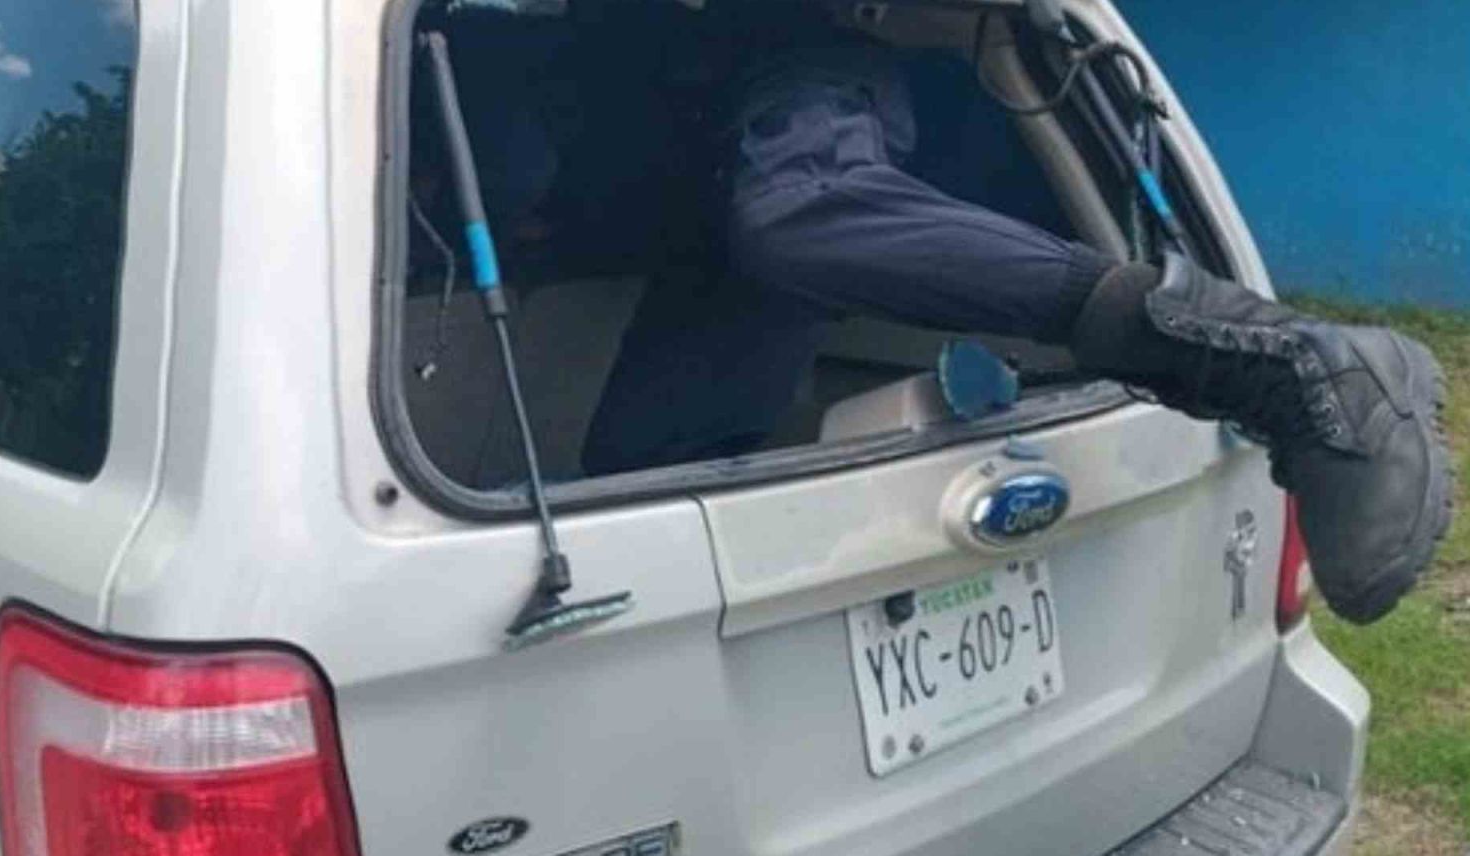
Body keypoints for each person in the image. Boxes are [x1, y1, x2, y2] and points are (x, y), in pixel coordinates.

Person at [563, 1, 1453, 625]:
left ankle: (1287, 360)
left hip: (793, 45)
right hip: (669, 121)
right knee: (636, 478)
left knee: (801, 207)